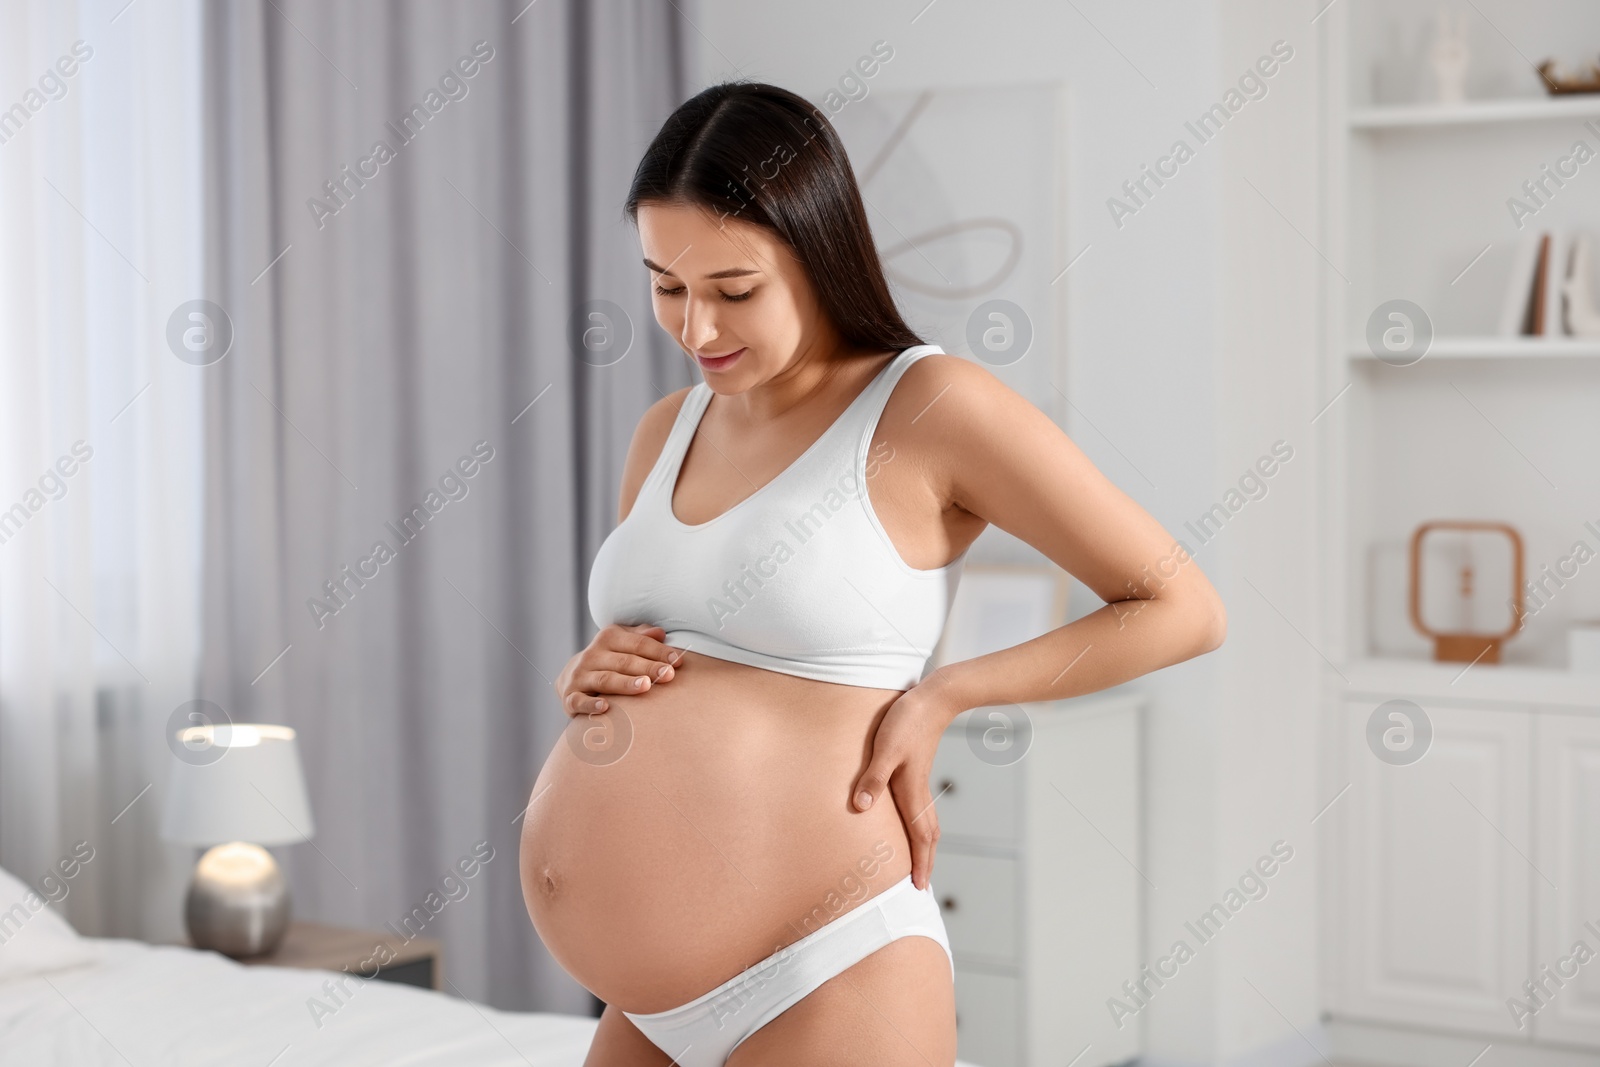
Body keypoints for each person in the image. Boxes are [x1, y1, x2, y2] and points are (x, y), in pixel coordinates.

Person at [519, 80, 1226, 1067]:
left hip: (826, 965)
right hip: (645, 1003)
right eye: (665, 284)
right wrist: (589, 670)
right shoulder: (664, 430)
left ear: (816, 255)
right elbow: (686, 649)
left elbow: (1180, 607)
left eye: (733, 290)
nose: (696, 328)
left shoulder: (928, 405)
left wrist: (949, 692)